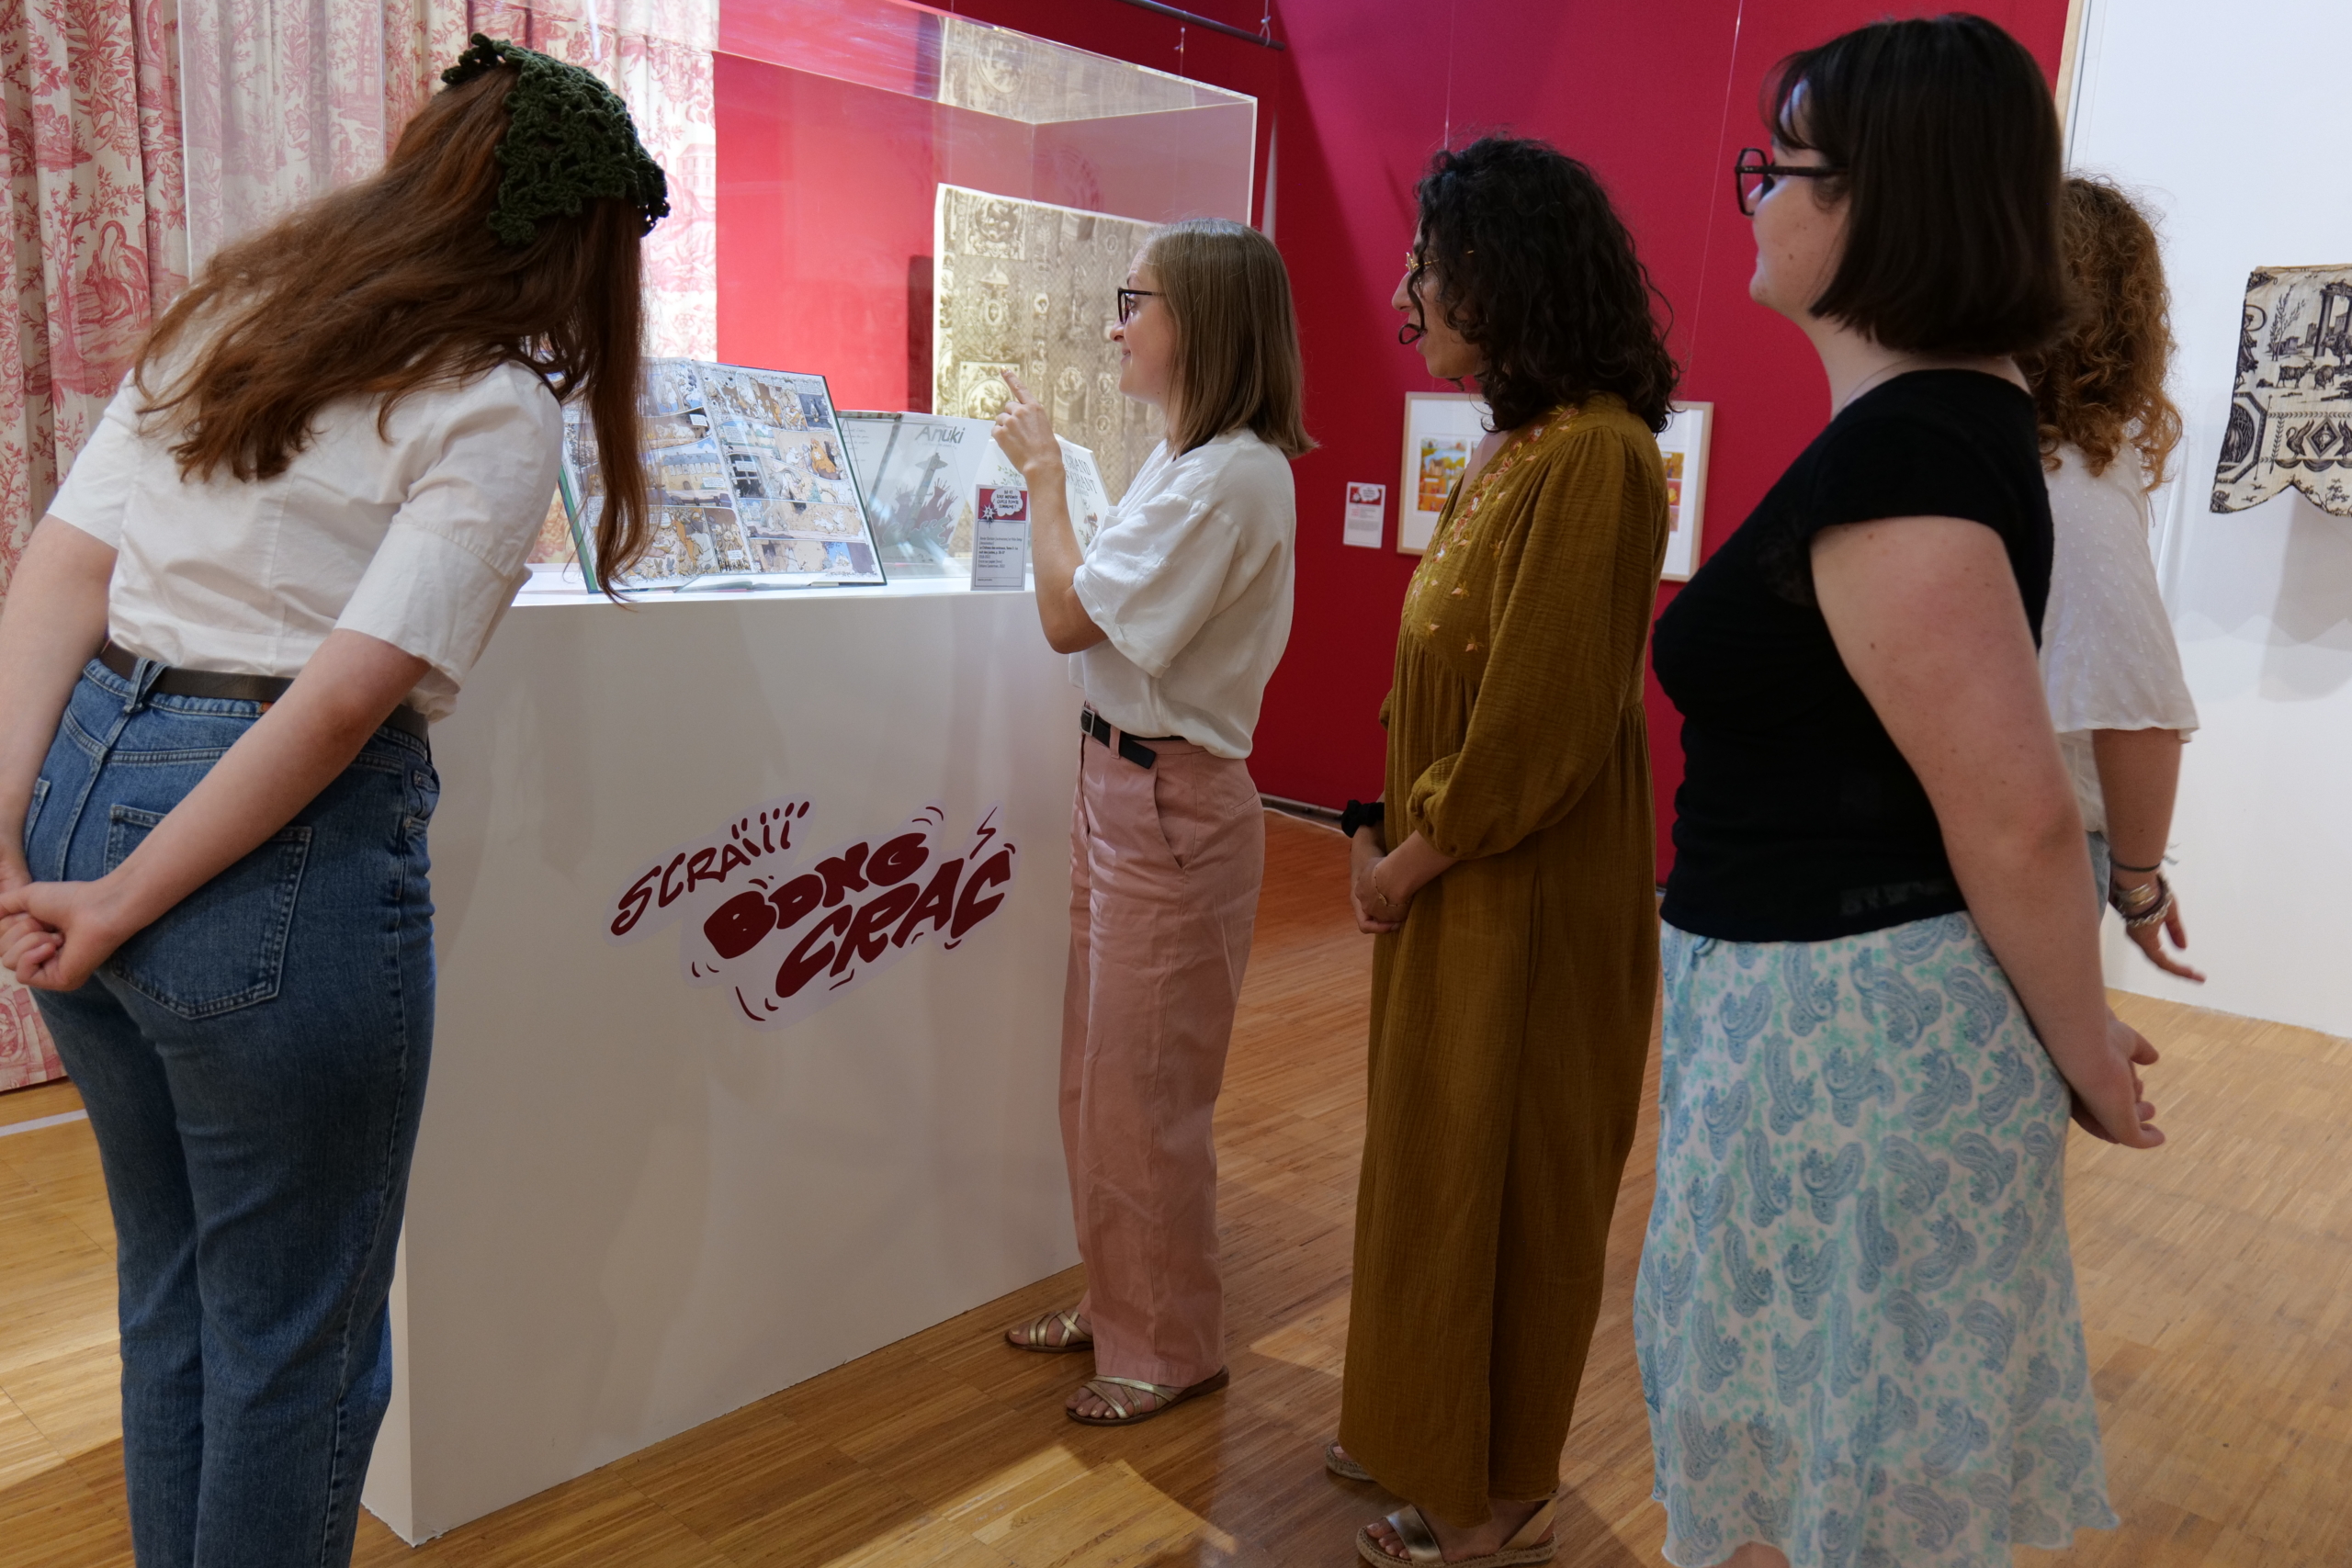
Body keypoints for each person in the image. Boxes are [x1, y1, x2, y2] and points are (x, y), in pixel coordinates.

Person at [0, 38, 664, 1567]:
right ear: (577, 244)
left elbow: (67, 563)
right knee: (294, 1336)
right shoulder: (496, 402)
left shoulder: (241, 301)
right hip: (255, 853)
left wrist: (33, 828)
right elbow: (339, 700)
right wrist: (127, 895)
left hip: (92, 774)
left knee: (174, 1289)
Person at [1639, 18, 2165, 1568]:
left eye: (1777, 169)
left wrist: (2084, 1048)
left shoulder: (1915, 453)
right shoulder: (1933, 428)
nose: (1753, 201)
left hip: (1850, 1036)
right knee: (1826, 1443)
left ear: (1884, 203)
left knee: (1844, 1459)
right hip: (1830, 1009)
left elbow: (2005, 812)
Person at [1335, 136, 1675, 1566]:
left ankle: (1498, 1491)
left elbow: (1537, 724)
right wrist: (1390, 830)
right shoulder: (1519, 446)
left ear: (1510, 274)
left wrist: (1410, 859)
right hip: (1463, 881)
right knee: (1435, 1165)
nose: (1412, 292)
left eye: (1434, 262)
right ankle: (1430, 1433)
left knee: (1509, 1182)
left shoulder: (1595, 456)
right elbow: (1445, 670)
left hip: (1520, 896)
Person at [989, 217, 1309, 1426]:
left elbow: (1073, 617)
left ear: (1205, 322)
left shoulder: (1233, 474)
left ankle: (1169, 1342)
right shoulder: (1192, 458)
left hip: (1170, 800)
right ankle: (1119, 1297)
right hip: (1120, 783)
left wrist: (1043, 480)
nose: (1117, 323)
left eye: (1137, 301)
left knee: (1146, 1091)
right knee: (1097, 1076)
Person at [2028, 176, 2203, 983]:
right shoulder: (2075, 481)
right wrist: (2137, 885)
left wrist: (2131, 882)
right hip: (2022, 840)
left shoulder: (2063, 476)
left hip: (2020, 842)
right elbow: (2138, 709)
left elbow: (2132, 705)